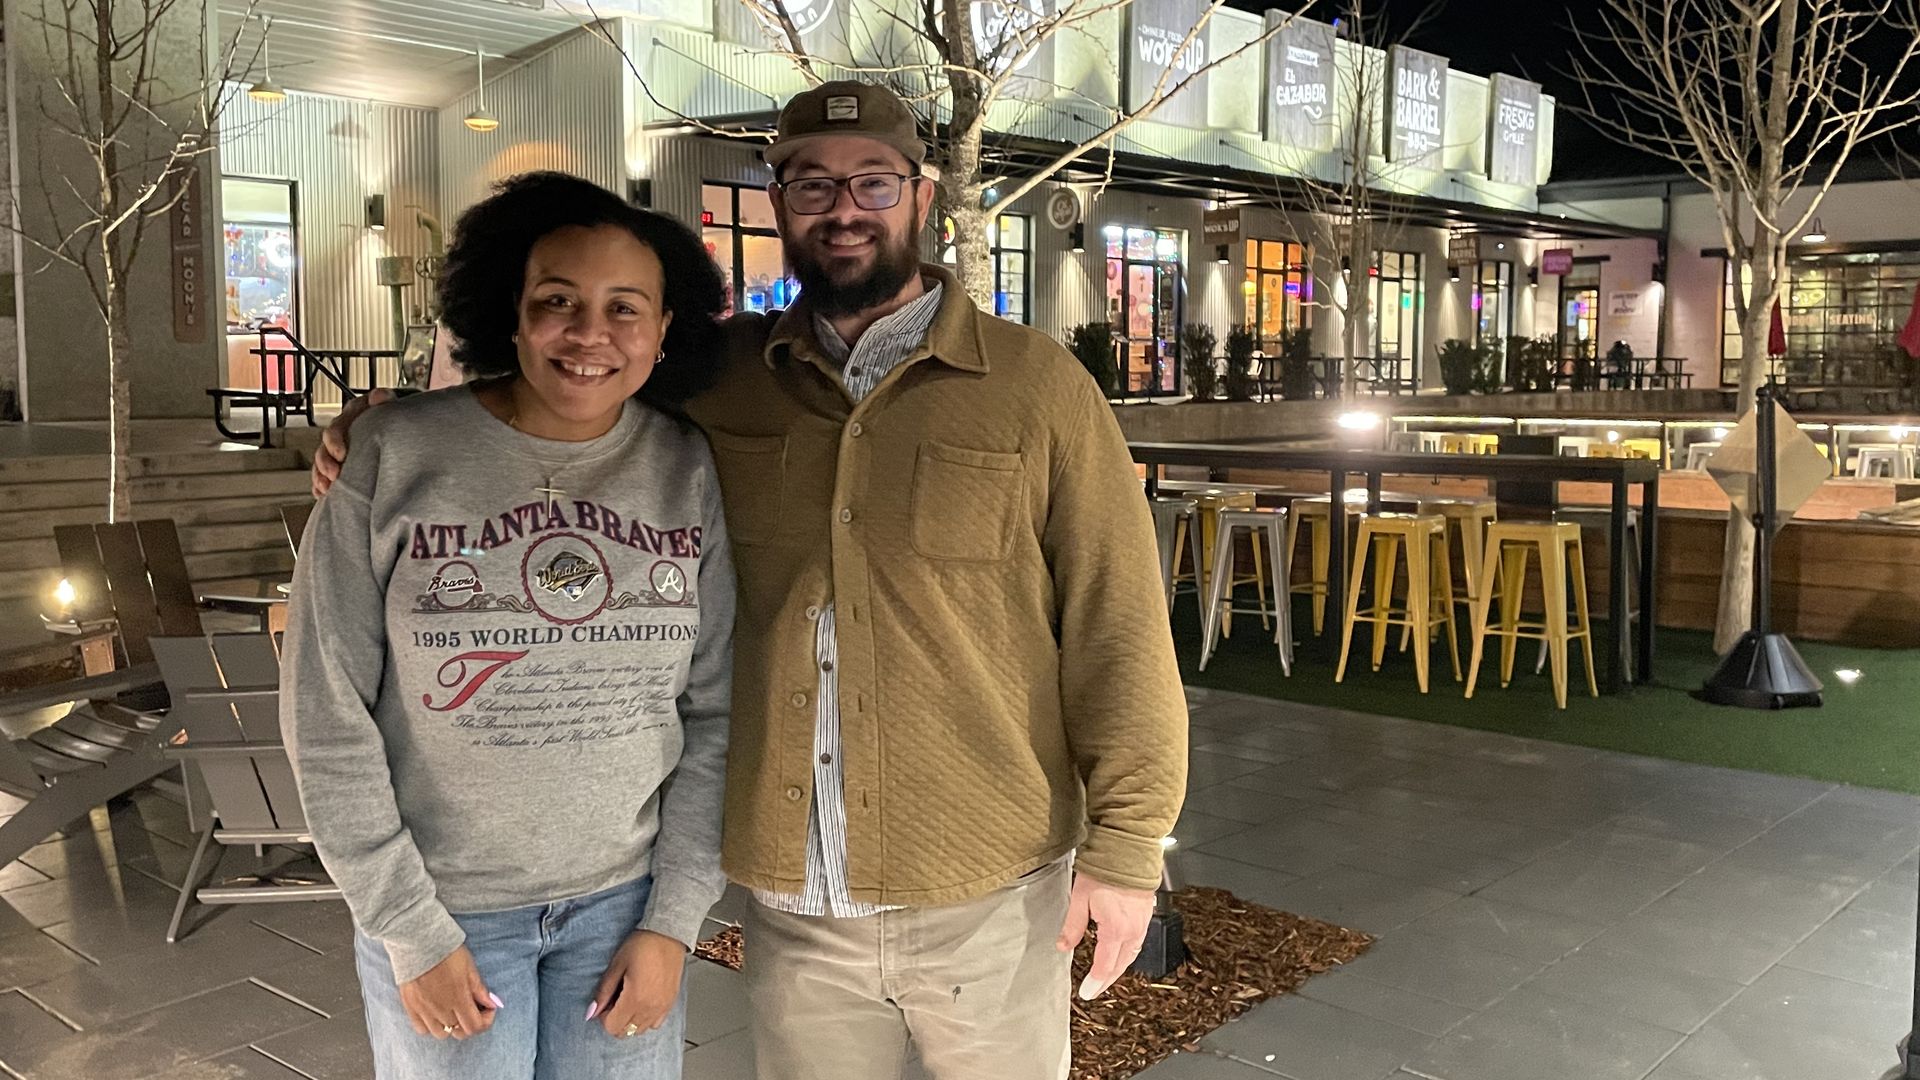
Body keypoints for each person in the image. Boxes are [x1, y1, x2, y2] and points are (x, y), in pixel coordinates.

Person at [312, 80, 1187, 1080]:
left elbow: (1120, 628)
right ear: (776, 202)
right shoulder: (718, 378)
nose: (843, 206)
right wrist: (381, 433)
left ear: (925, 194)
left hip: (987, 890)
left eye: (872, 181)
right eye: (810, 183)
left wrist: (1129, 848)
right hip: (796, 912)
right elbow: (563, 391)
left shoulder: (1037, 390)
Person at [282, 172, 734, 1080]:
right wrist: (408, 927)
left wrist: (673, 922)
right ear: (512, 313)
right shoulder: (397, 454)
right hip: (449, 910)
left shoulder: (686, 467)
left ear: (665, 327)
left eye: (624, 308)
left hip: (625, 912)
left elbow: (715, 714)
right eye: (557, 301)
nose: (589, 334)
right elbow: (325, 710)